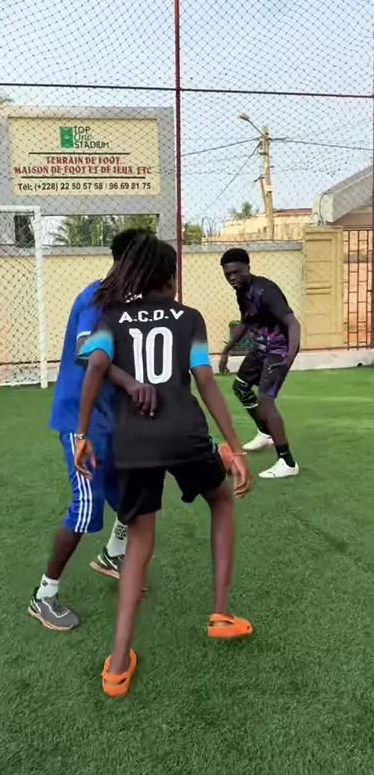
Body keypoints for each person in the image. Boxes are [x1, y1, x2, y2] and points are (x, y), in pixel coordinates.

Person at [74, 234, 252, 697]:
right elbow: (205, 380)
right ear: (170, 277)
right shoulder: (188, 317)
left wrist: (82, 434)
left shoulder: (112, 317)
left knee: (139, 541)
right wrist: (235, 447)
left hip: (133, 443)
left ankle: (117, 664)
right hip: (185, 434)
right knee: (221, 501)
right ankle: (220, 614)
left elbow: (94, 368)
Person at [29, 228, 157, 633]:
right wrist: (131, 383)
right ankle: (44, 595)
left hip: (113, 418)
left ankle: (112, 554)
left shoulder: (133, 304)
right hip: (79, 419)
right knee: (86, 506)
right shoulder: (95, 297)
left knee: (130, 492)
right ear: (129, 263)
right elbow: (87, 353)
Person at [219, 248, 300, 479]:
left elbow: (293, 323)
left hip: (280, 349)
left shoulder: (266, 290)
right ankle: (265, 433)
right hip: (261, 347)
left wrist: (289, 356)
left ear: (248, 267)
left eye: (236, 272)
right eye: (227, 274)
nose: (232, 278)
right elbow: (246, 322)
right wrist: (226, 350)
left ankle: (287, 462)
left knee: (265, 400)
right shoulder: (241, 291)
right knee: (240, 387)